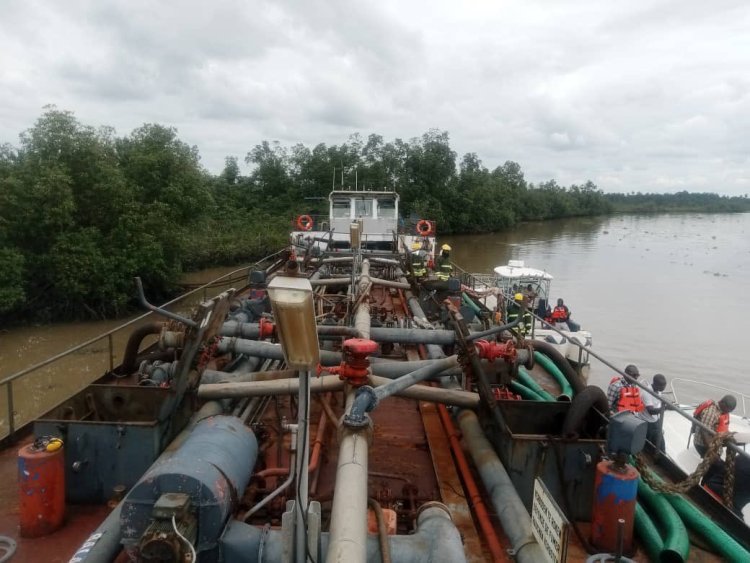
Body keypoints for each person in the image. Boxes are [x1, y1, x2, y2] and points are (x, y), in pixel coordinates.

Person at [639, 373, 667, 452]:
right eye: (662, 386)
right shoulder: (647, 393)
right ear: (656, 384)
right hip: (647, 421)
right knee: (648, 443)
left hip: (656, 420)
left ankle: (661, 453)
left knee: (661, 444)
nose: (664, 388)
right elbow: (651, 411)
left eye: (664, 385)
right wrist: (664, 408)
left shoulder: (658, 391)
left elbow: (658, 403)